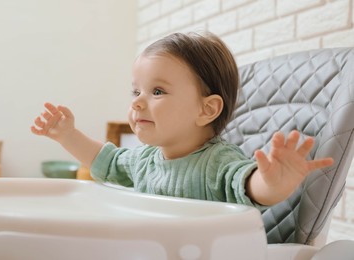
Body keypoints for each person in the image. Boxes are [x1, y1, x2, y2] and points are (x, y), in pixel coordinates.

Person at [31, 32, 334, 210]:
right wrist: (67, 135)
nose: (136, 101)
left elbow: (248, 187)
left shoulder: (218, 162)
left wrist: (272, 183)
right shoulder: (145, 160)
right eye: (136, 90)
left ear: (206, 110)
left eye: (157, 91)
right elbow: (107, 163)